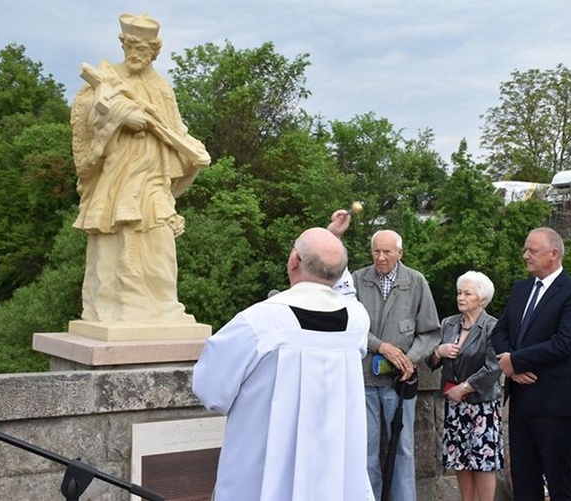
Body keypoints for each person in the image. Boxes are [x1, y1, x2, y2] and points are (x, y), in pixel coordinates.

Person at [192, 227, 374, 501]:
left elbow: (211, 389)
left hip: (263, 475)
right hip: (336, 474)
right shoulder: (357, 320)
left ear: (293, 261)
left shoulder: (258, 322)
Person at [70, 13, 211, 323]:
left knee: (160, 241)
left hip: (154, 178)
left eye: (142, 50)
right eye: (130, 48)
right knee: (115, 241)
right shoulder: (106, 77)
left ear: (154, 52)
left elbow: (173, 128)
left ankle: (163, 307)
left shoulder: (161, 87)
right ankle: (111, 309)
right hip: (119, 174)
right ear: (123, 46)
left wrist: (195, 150)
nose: (134, 55)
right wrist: (122, 117)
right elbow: (88, 116)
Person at [491, 227, 571, 501]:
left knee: (558, 479)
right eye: (525, 249)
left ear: (553, 254)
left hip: (555, 402)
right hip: (521, 399)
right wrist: (509, 363)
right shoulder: (521, 288)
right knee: (523, 479)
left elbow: (564, 342)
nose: (525, 255)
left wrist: (516, 361)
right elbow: (500, 331)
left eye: (532, 251)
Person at [352, 229, 441, 501]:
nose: (380, 257)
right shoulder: (357, 280)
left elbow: (430, 332)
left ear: (400, 253)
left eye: (387, 252)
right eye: (376, 251)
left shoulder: (416, 282)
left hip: (399, 384)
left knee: (403, 449)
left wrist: (409, 360)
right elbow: (349, 326)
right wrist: (381, 346)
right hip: (364, 379)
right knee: (365, 451)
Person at [428, 271, 504, 501]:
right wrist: (438, 352)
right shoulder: (448, 324)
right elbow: (431, 362)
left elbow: (494, 367)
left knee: (483, 461)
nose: (460, 297)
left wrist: (464, 387)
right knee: (460, 460)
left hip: (482, 405)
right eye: (459, 292)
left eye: (467, 293)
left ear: (482, 299)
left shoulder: (494, 327)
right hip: (455, 405)